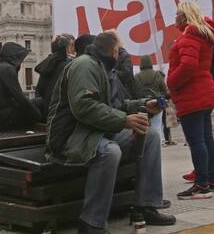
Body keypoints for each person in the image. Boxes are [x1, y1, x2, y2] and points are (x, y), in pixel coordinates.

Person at [46, 31, 176, 233]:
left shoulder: (106, 69)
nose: (120, 53)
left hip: (96, 131)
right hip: (72, 136)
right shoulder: (84, 65)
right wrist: (124, 120)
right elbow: (84, 106)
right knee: (110, 151)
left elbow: (118, 104)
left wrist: (143, 105)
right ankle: (91, 222)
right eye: (119, 49)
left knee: (150, 136)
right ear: (113, 50)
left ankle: (145, 206)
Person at [167, 2, 214, 199]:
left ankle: (201, 184)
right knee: (206, 138)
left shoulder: (189, 35)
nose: (174, 19)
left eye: (176, 14)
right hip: (205, 90)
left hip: (192, 94)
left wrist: (171, 82)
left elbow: (188, 65)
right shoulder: (203, 34)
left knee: (196, 140)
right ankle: (212, 178)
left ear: (184, 16)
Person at [0, 42, 43, 129]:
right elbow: (20, 98)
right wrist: (38, 115)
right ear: (15, 58)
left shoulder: (1, 68)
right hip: (1, 119)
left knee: (36, 103)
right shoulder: (7, 69)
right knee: (40, 102)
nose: (21, 64)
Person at [34, 34, 75, 113]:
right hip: (60, 112)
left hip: (47, 110)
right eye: (72, 45)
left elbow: (39, 90)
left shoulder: (47, 63)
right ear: (65, 48)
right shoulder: (67, 66)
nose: (74, 49)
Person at [134, 55, 168, 144]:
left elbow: (134, 92)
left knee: (144, 129)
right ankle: (157, 148)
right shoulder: (157, 74)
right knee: (157, 127)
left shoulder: (137, 77)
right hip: (157, 105)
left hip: (143, 106)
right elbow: (164, 90)